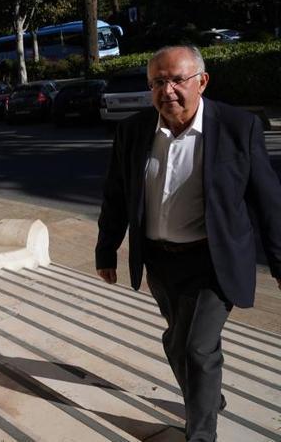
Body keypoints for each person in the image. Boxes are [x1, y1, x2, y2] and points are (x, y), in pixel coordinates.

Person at [95, 45, 281, 441]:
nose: (168, 91)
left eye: (178, 80)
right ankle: (210, 396)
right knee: (177, 343)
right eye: (158, 82)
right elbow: (116, 195)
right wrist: (106, 249)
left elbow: (269, 204)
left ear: (202, 81)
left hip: (214, 261)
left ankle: (200, 433)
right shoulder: (132, 132)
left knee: (197, 348)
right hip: (160, 262)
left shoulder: (237, 127)